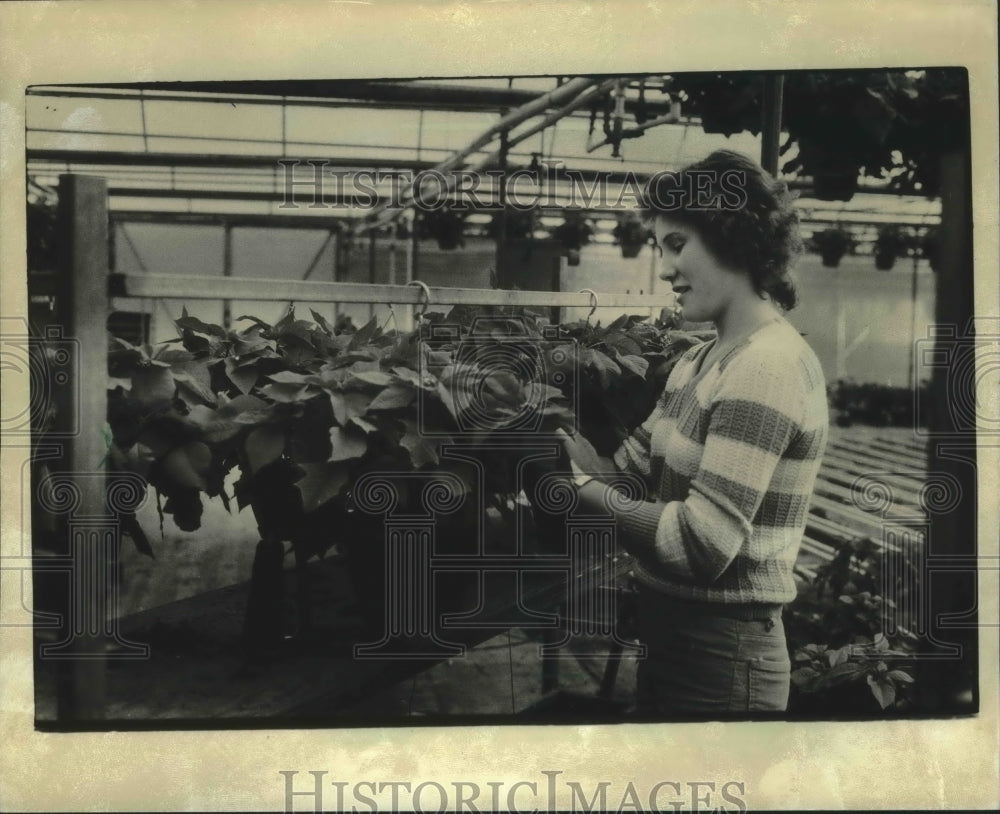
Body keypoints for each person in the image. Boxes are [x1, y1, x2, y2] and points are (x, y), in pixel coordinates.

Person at [542, 150, 829, 716]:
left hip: (725, 659)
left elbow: (702, 546)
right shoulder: (699, 361)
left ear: (733, 236)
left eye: (677, 245)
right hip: (675, 641)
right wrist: (547, 434)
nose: (666, 270)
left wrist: (583, 489)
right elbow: (627, 470)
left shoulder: (766, 366)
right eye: (660, 249)